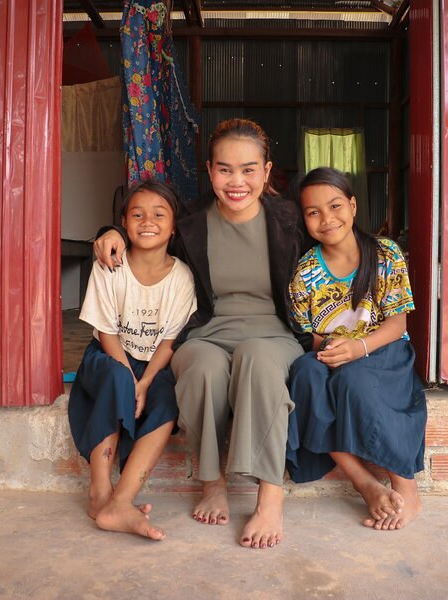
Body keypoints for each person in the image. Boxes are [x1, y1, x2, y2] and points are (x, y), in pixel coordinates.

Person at [94, 119, 310, 550]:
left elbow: (343, 238)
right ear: (210, 171)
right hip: (207, 331)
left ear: (267, 172)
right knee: (202, 367)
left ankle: (269, 495)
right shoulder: (190, 221)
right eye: (225, 169)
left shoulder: (291, 219)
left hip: (273, 333)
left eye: (249, 169)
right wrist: (110, 232)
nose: (237, 181)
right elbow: (148, 229)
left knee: (257, 360)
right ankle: (212, 481)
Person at [285, 167, 427, 530]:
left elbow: (398, 325)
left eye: (335, 206)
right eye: (313, 212)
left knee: (355, 380)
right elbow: (306, 333)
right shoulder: (304, 272)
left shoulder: (385, 253)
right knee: (304, 374)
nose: (326, 219)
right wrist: (334, 348)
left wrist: (359, 347)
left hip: (383, 351)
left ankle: (405, 487)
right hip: (331, 352)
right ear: (304, 219)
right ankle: (365, 484)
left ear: (353, 205)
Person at [68, 180, 197, 541]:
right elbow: (107, 332)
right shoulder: (111, 266)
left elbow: (170, 342)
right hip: (108, 358)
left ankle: (122, 500)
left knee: (168, 399)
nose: (147, 221)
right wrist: (128, 378)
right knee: (116, 379)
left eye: (159, 214)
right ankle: (99, 491)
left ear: (174, 226)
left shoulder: (182, 278)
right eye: (137, 214)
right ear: (123, 223)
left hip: (152, 364)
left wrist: (144, 382)